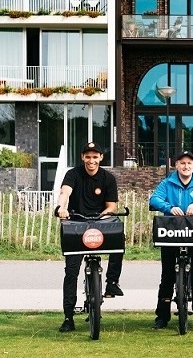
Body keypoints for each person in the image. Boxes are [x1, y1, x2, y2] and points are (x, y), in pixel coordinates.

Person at [55, 142, 123, 333]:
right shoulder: (73, 174)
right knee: (71, 272)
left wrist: (104, 216)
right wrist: (61, 208)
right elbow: (65, 192)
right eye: (88, 156)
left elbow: (111, 206)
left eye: (95, 157)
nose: (91, 160)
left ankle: (112, 283)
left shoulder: (108, 178)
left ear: (101, 158)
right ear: (82, 157)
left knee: (119, 237)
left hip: (100, 222)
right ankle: (68, 317)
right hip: (76, 223)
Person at [149, 150, 193, 330]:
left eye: (189, 163)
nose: (186, 166)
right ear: (176, 165)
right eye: (182, 163)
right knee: (167, 276)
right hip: (170, 232)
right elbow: (154, 199)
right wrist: (169, 207)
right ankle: (162, 317)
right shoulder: (167, 183)